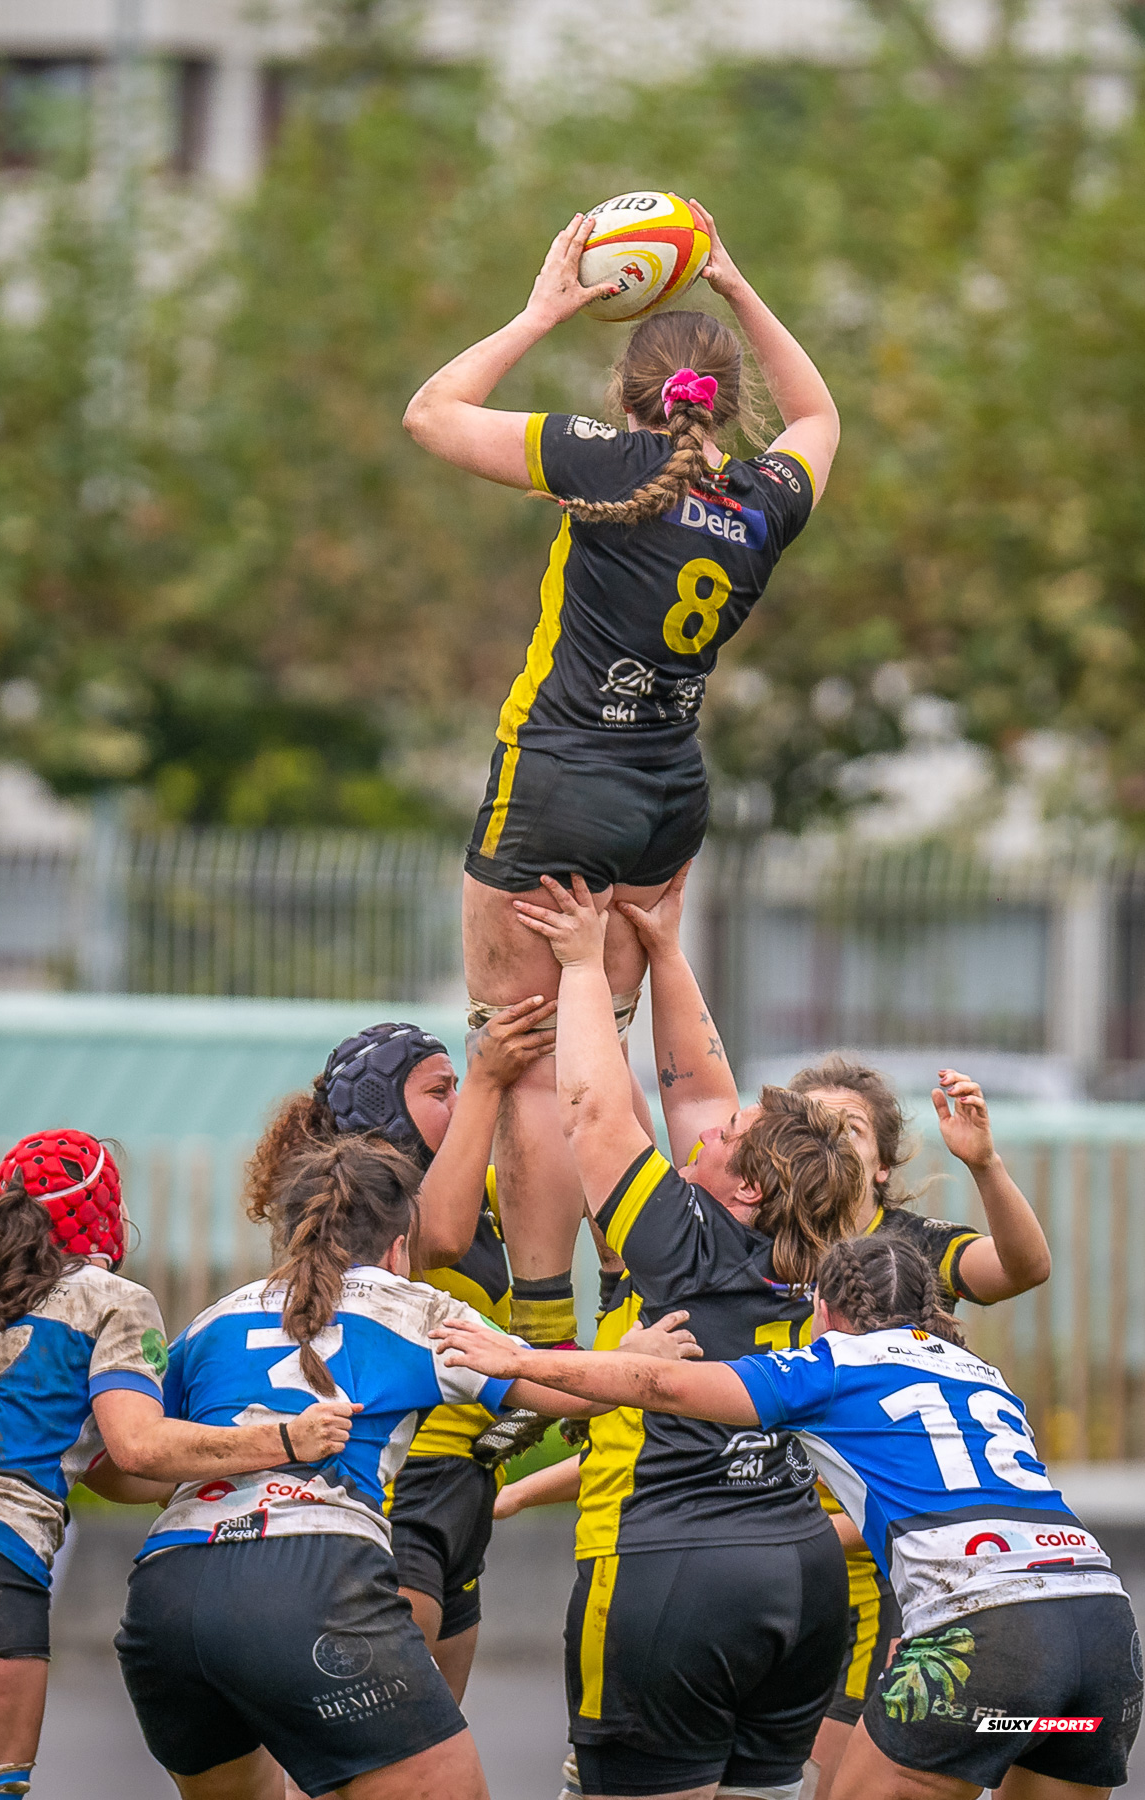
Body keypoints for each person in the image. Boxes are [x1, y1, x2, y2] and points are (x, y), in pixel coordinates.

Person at [403, 200, 840, 1355]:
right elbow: (817, 413)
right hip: (664, 808)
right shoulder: (760, 502)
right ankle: (649, 1295)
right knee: (608, 1050)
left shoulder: (600, 463)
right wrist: (737, 285)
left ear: (626, 395)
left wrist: (540, 308)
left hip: (554, 788)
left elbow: (430, 414)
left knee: (534, 1067)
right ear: (723, 397)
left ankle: (546, 1342)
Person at [435, 1232, 1141, 1800]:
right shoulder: (977, 1373)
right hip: (1104, 1630)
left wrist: (519, 1359)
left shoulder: (832, 1364)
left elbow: (662, 1383)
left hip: (988, 1633)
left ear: (824, 1310)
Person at [489, 869, 864, 1800]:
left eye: (730, 1134)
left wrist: (582, 966)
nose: (711, 1123)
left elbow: (591, 1112)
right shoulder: (804, 1256)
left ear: (743, 1190)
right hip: (798, 1578)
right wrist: (661, 950)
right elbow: (700, 1088)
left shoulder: (685, 1249)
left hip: (674, 1577)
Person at [116, 1133, 602, 1800]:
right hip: (307, 1575)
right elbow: (566, 1393)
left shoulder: (212, 1320)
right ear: (400, 1243)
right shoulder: (414, 1311)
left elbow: (123, 1470)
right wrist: (637, 1354)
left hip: (165, 1595)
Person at [0, 1130, 354, 1800]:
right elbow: (139, 1443)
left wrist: (200, 1484)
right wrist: (283, 1442)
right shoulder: (109, 1297)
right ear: (105, 1214)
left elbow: (108, 1467)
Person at [244, 1002, 554, 1705]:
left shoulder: (472, 1184)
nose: (459, 1101)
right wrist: (485, 1079)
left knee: (430, 1748)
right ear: (385, 1107)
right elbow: (436, 1237)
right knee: (375, 1742)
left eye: (454, 1088)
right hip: (404, 1486)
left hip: (467, 1491)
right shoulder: (366, 1199)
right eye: (437, 1091)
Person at [787, 1053, 1052, 1792]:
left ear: (880, 1164)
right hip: (769, 1569)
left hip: (884, 1571)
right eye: (809, 1128)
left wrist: (986, 1163)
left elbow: (1024, 1268)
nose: (828, 1144)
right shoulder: (752, 1240)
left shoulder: (911, 1249)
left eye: (848, 1129)